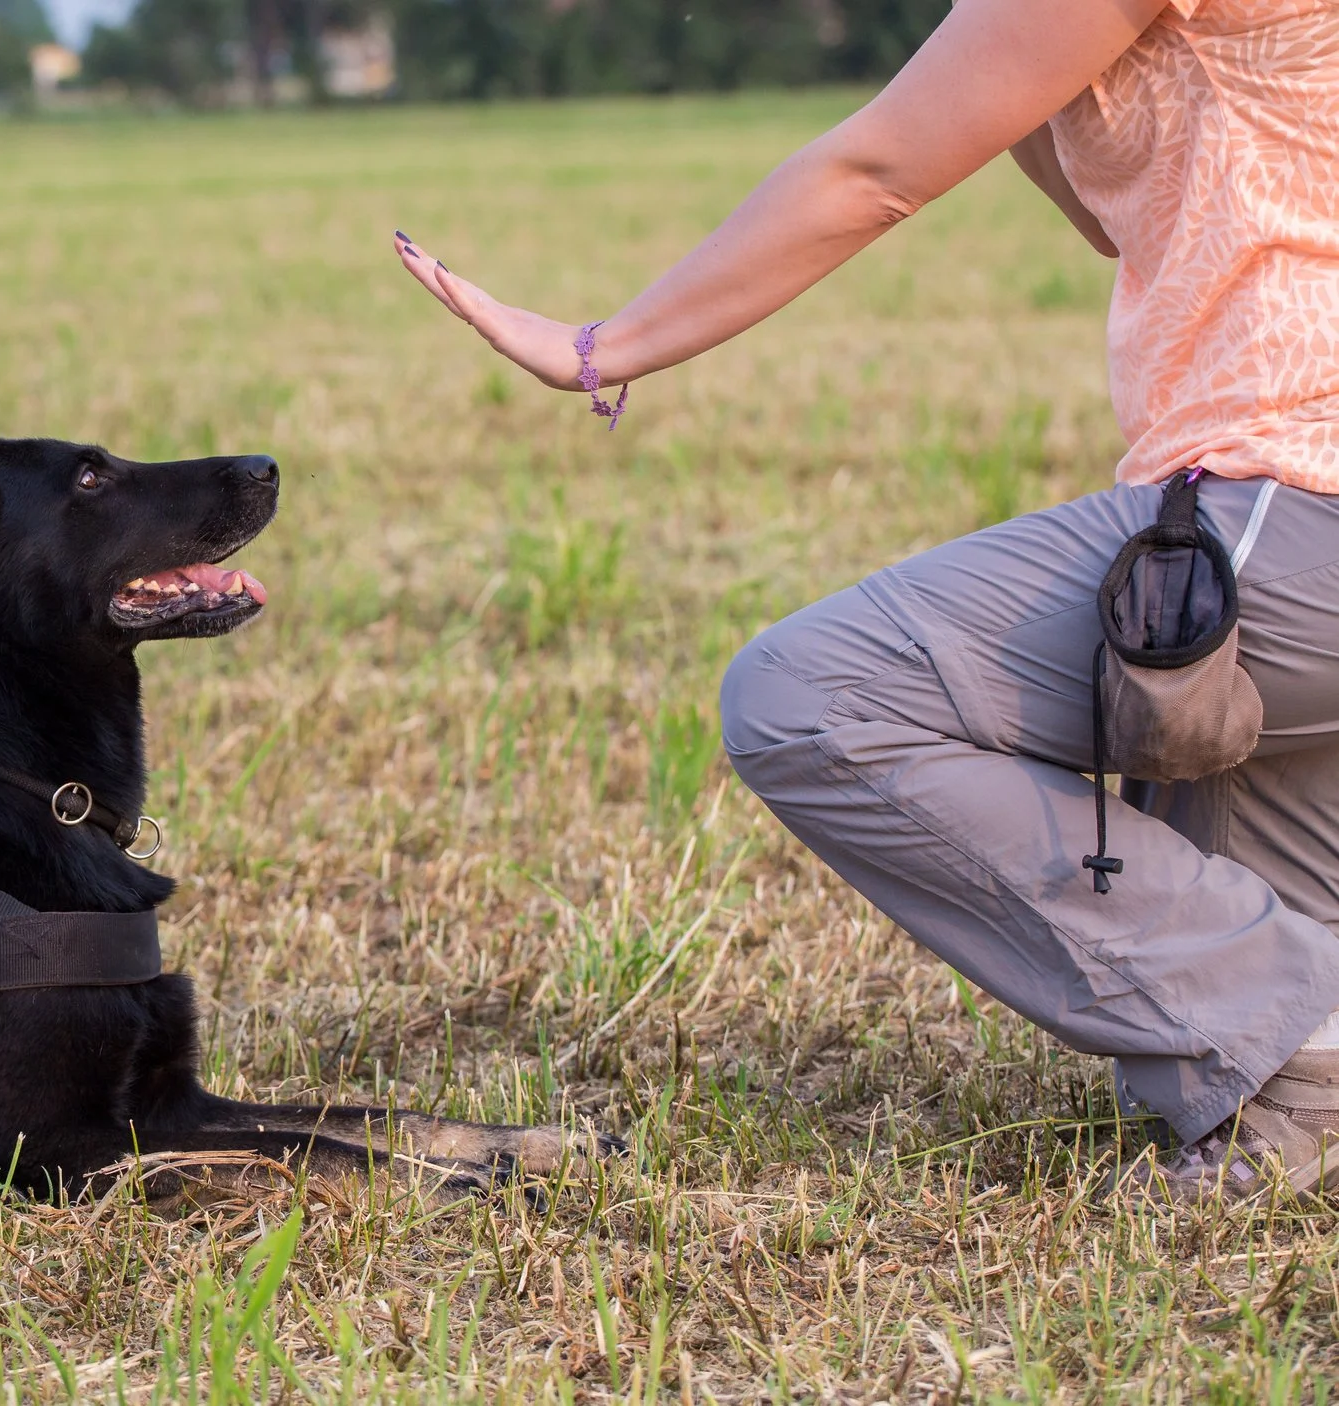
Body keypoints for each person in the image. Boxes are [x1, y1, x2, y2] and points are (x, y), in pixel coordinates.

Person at [396, 0, 1339, 1200]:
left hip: (1293, 489)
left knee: (808, 693)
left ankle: (1302, 1021)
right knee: (1257, 1003)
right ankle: (1303, 1076)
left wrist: (601, 346)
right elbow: (1093, 204)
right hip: (1294, 511)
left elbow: (876, 169)